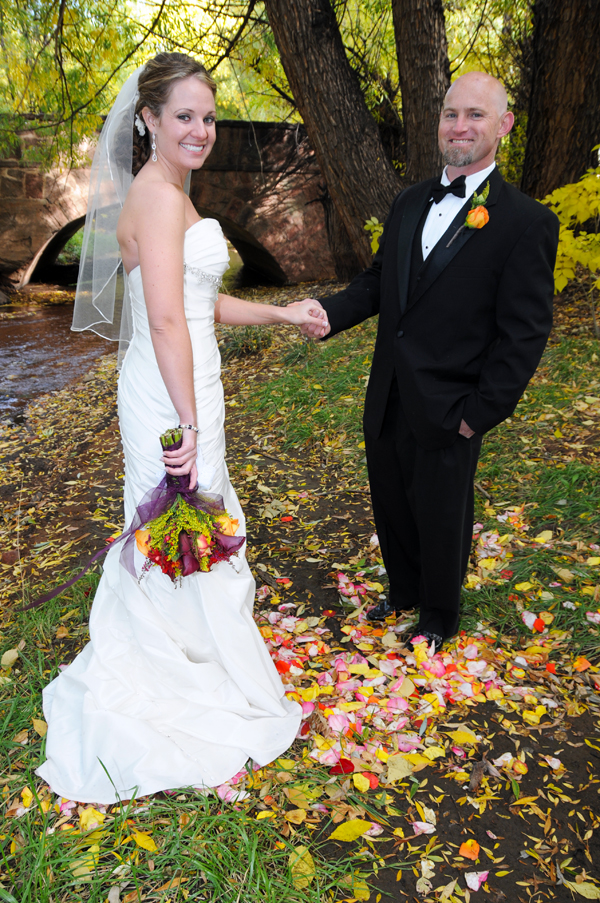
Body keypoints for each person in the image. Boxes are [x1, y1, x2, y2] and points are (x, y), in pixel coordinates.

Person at [36, 52, 328, 804]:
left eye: (208, 116)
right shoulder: (160, 199)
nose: (200, 130)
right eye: (184, 117)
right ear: (149, 120)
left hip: (183, 380)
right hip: (172, 394)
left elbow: (200, 305)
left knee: (192, 527)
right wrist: (188, 422)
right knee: (182, 522)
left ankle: (195, 653)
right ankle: (174, 672)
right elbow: (165, 322)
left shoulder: (171, 190)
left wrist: (281, 312)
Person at [303, 72, 559, 649]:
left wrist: (479, 413)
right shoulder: (407, 201)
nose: (459, 126)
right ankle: (405, 590)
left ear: (503, 125)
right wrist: (325, 312)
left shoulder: (526, 223)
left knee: (443, 511)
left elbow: (524, 334)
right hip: (389, 389)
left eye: (474, 115)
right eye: (450, 114)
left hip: (454, 402)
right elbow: (378, 283)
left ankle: (439, 615)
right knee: (391, 496)